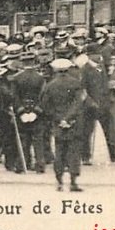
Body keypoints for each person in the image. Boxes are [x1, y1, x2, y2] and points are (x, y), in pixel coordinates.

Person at [40, 58, 86, 192]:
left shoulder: (50, 85)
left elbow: (45, 106)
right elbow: (78, 103)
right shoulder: (76, 83)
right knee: (74, 152)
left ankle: (59, 181)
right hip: (74, 123)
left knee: (59, 151)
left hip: (57, 123)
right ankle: (73, 182)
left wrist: (59, 119)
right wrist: (68, 118)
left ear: (55, 70)